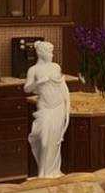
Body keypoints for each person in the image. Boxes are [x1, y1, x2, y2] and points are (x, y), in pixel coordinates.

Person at [24, 40, 70, 177]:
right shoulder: (33, 70)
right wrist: (38, 82)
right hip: (45, 108)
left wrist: (67, 107)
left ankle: (51, 172)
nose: (52, 54)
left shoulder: (56, 67)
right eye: (49, 52)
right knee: (43, 140)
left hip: (58, 107)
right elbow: (27, 89)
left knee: (54, 142)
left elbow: (62, 87)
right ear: (41, 53)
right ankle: (42, 172)